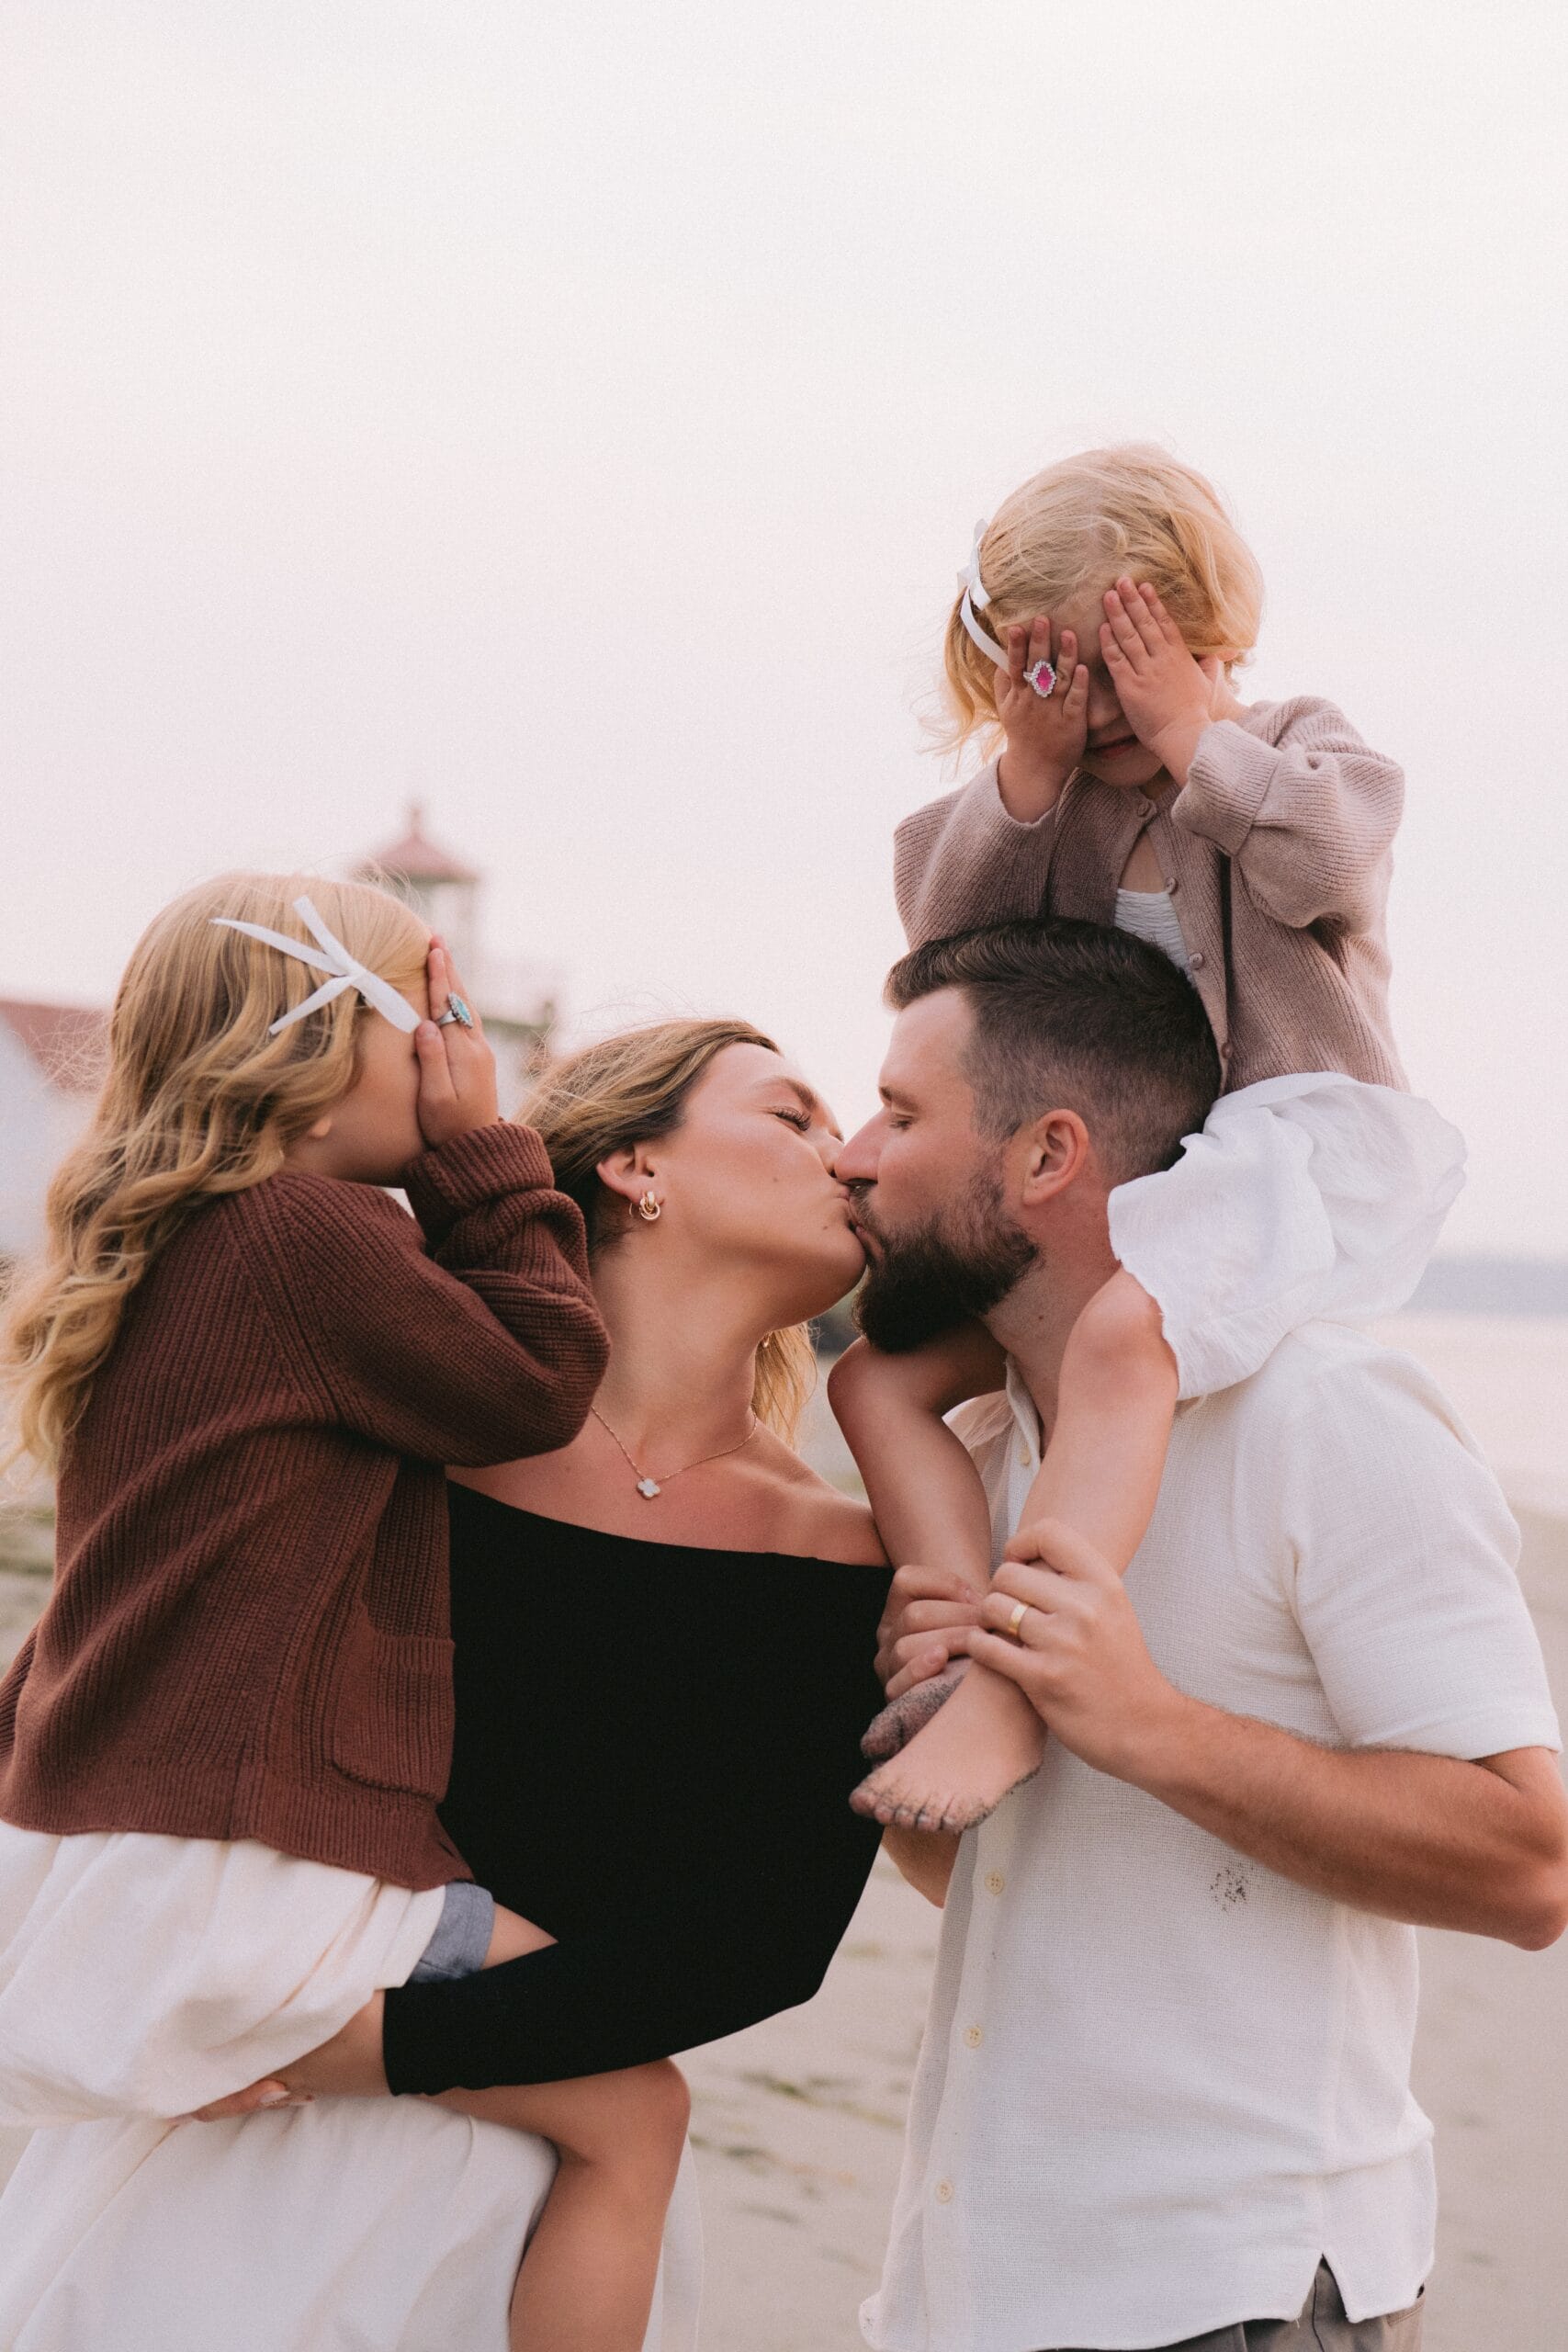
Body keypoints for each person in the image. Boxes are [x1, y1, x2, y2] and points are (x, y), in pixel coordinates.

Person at [0, 1014, 889, 2352]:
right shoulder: (389, 1418)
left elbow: (756, 1945)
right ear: (637, 1165)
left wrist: (380, 2052)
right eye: (796, 1116)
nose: (854, 1157)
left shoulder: (833, 1549)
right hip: (214, 2129)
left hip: (514, 2187)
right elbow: (126, 1668)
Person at [838, 917, 1567, 2351]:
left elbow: (1532, 1864)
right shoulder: (983, 1457)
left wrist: (1148, 1726)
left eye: (901, 1112)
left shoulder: (1328, 1417)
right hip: (969, 2280)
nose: (855, 1154)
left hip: (1230, 2295)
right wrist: (924, 1731)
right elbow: (997, 1888)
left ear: (1048, 1157)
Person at [831, 445, 1464, 1836]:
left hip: (1297, 1141)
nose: (1106, 708)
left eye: (1135, 666)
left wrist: (1201, 743)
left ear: (1214, 639)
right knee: (880, 1378)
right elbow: (948, 959)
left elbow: (1336, 869)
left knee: (1122, 1339)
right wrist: (1027, 777)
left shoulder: (1293, 746)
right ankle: (945, 1619)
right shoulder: (1049, 794)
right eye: (1067, 674)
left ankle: (1011, 1687)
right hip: (1136, 1174)